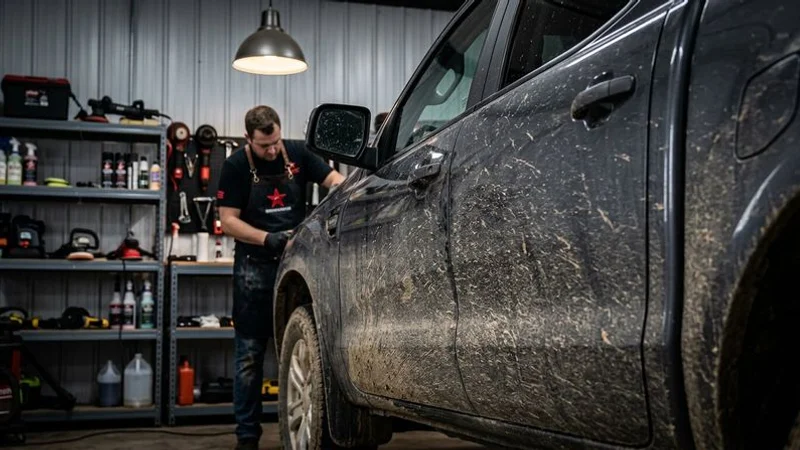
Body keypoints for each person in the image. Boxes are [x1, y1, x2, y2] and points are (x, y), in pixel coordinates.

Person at [217, 105, 345, 450]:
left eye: (274, 143)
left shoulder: (299, 153)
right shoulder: (235, 166)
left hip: (297, 268)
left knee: (306, 349)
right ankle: (247, 438)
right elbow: (227, 220)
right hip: (254, 268)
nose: (271, 151)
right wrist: (264, 237)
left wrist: (345, 197)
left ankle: (315, 428)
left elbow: (335, 181)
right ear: (248, 139)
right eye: (264, 146)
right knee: (249, 358)